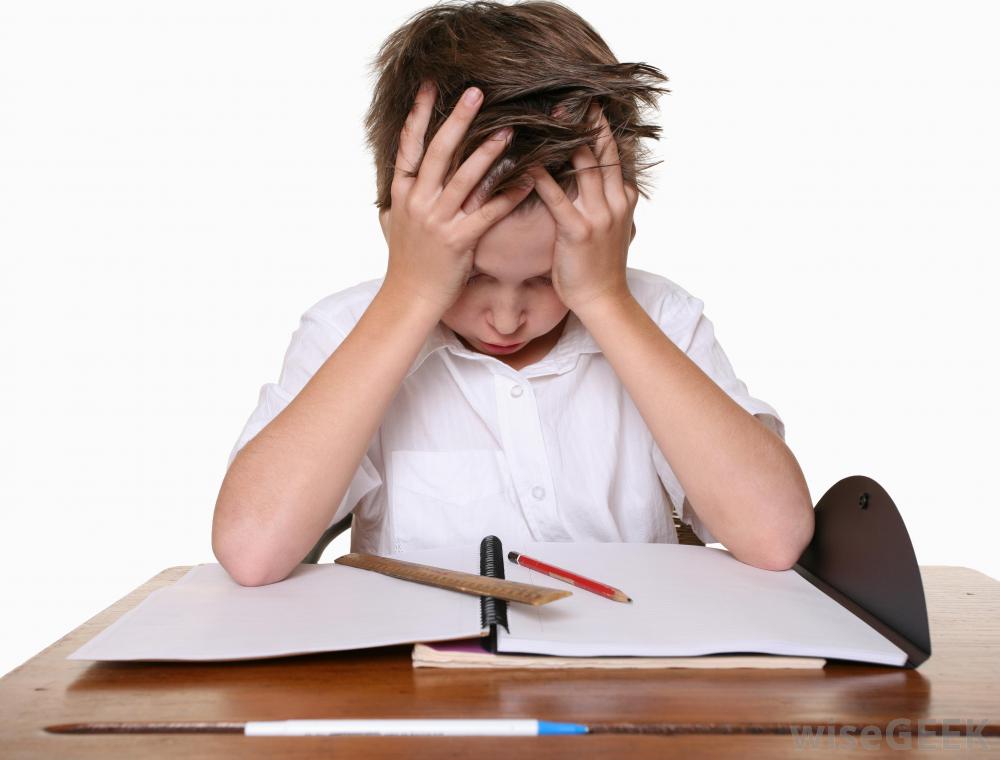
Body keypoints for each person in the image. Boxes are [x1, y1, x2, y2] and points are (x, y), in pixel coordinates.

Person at [212, 0, 814, 587]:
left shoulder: (659, 317)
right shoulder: (345, 330)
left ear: (616, 230)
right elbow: (251, 551)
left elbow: (775, 535)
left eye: (548, 277)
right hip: (423, 683)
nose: (505, 318)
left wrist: (604, 298)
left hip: (628, 679)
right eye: (468, 278)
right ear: (395, 229)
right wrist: (412, 294)